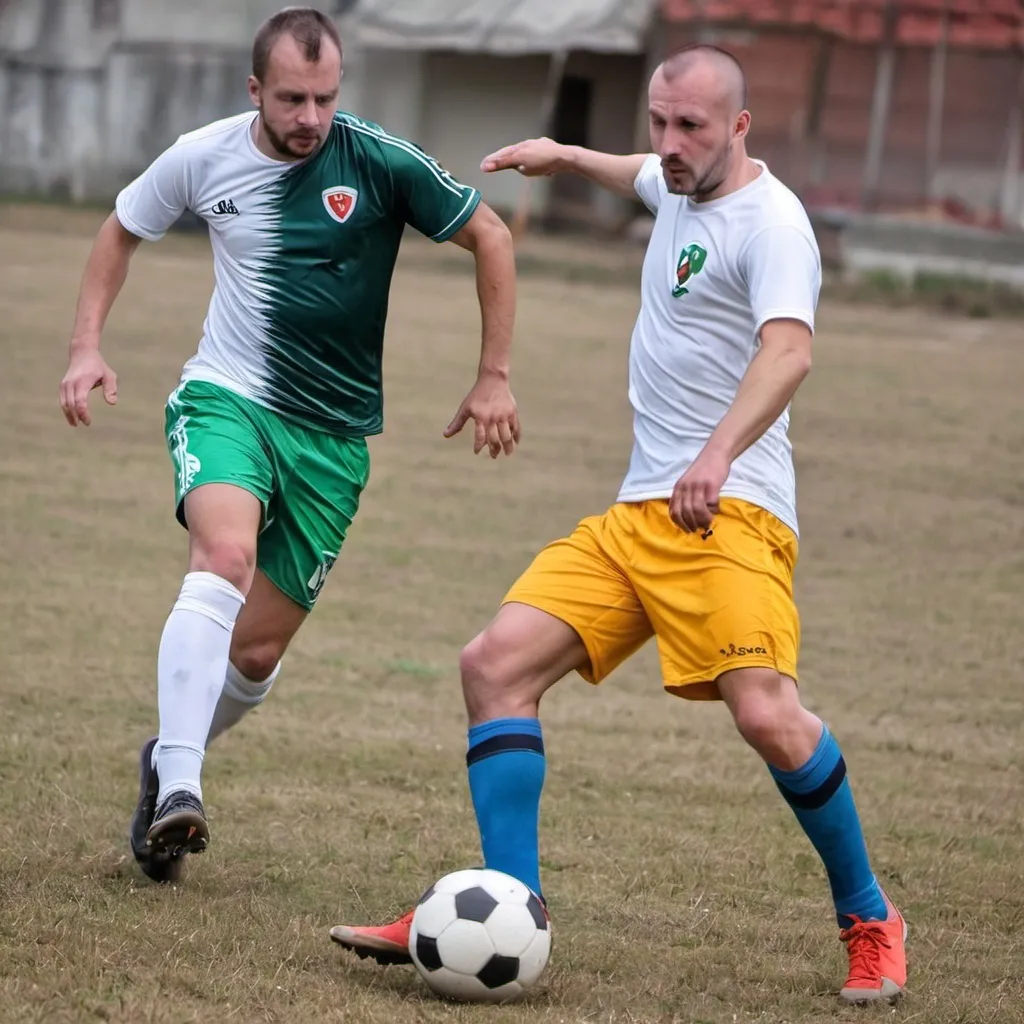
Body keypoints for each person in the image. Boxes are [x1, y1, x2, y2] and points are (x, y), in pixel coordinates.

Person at [328, 44, 907, 1004]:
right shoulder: (675, 180)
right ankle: (510, 909)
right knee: (494, 666)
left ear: (741, 129)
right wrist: (564, 154)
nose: (671, 147)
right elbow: (638, 175)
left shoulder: (774, 225)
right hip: (640, 513)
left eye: (693, 129)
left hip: (732, 513)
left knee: (767, 713)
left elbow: (790, 352)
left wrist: (717, 454)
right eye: (659, 123)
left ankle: (871, 919)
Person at [58, 6, 519, 885]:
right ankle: (182, 789)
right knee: (223, 555)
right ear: (254, 90)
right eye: (292, 98)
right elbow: (122, 228)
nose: (312, 117)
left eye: (325, 98)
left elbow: (488, 234)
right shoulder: (205, 154)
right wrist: (86, 344)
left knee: (257, 655)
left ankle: (167, 756)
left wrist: (493, 373)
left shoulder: (377, 160)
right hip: (228, 397)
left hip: (335, 441)